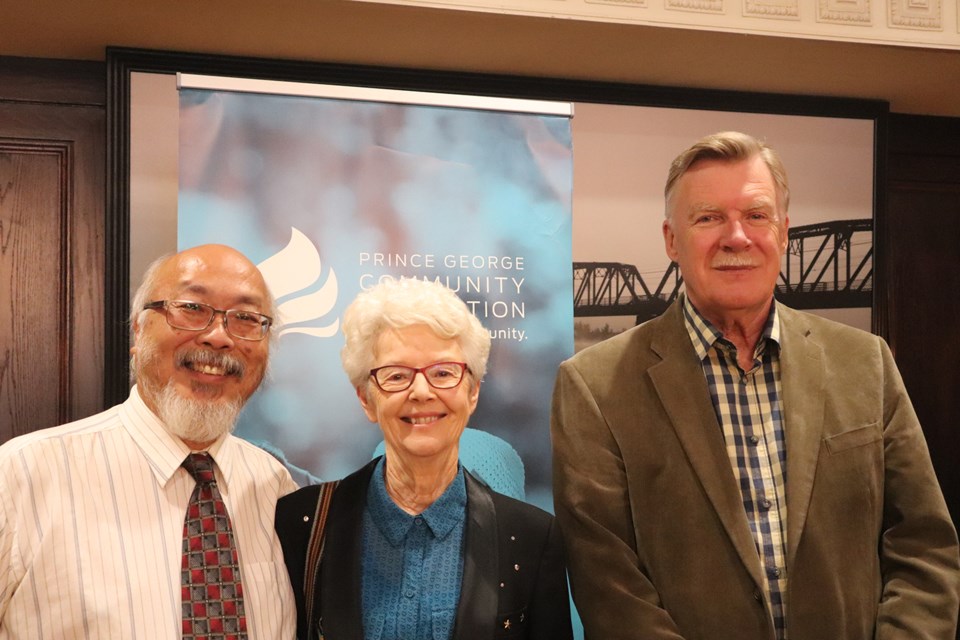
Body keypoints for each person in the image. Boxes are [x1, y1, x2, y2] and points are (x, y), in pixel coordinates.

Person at [551, 131, 960, 639]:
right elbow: (610, 589)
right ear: (671, 240)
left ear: (785, 232)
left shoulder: (866, 363)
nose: (737, 237)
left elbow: (923, 544)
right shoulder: (594, 387)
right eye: (708, 218)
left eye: (756, 215)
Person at [0, 244, 298, 638]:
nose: (218, 337)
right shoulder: (23, 475)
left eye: (245, 318)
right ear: (138, 331)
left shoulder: (276, 489)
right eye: (192, 308)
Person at [276, 277, 572, 640]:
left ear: (473, 391)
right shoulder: (300, 524)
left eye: (443, 373)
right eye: (397, 375)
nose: (421, 391)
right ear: (366, 399)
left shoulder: (532, 538)